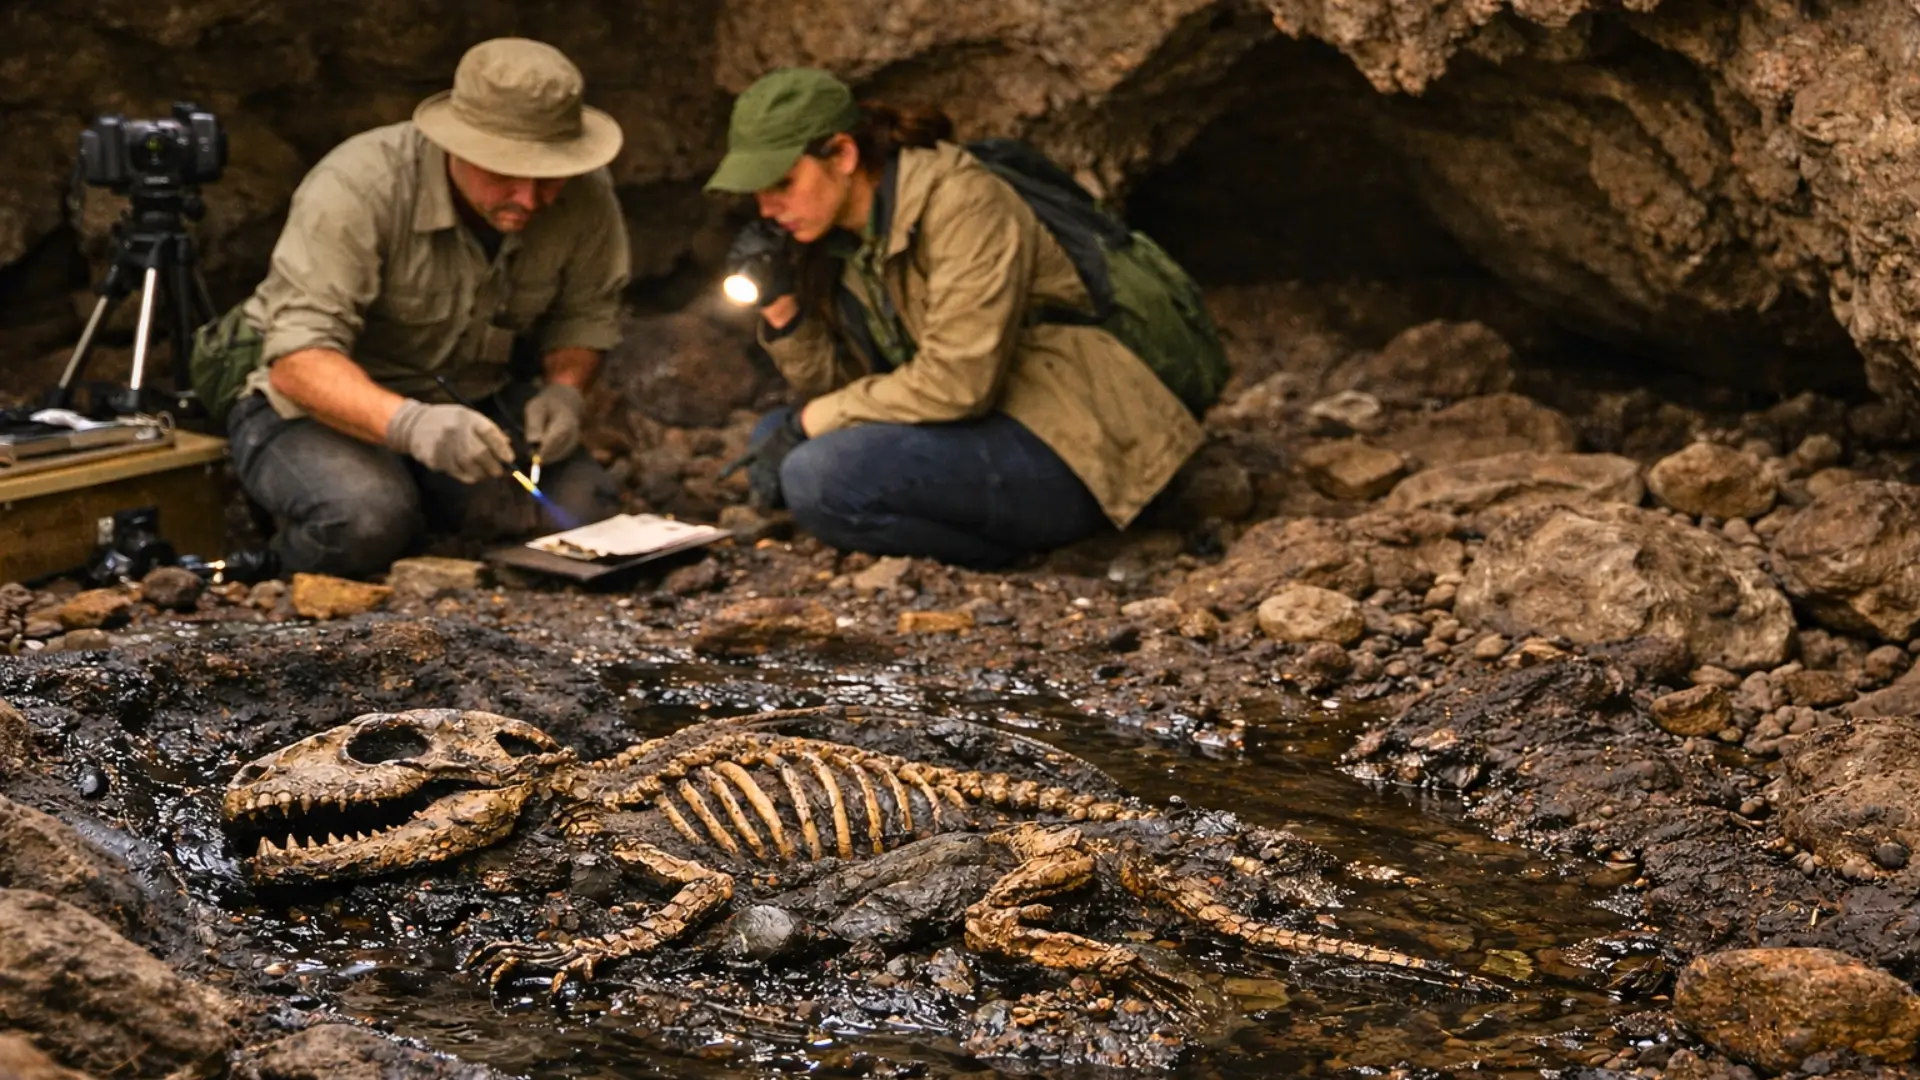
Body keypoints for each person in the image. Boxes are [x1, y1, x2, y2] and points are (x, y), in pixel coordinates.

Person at [704, 68, 1205, 569]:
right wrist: (781, 307)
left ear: (843, 155)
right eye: (758, 191)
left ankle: (1018, 563)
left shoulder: (963, 202)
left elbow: (960, 381)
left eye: (783, 183)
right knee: (773, 435)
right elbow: (848, 387)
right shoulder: (842, 236)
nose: (768, 208)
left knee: (818, 477)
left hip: (1078, 438)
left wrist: (811, 423)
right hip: (982, 421)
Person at [200, 38, 630, 580]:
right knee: (364, 520)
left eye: (549, 176)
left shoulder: (587, 195)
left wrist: (565, 391)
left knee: (588, 512)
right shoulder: (359, 185)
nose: (529, 197)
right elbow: (299, 359)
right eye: (506, 172)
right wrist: (411, 426)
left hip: (470, 398)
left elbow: (585, 313)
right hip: (315, 407)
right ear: (459, 145)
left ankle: (423, 505)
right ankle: (266, 572)